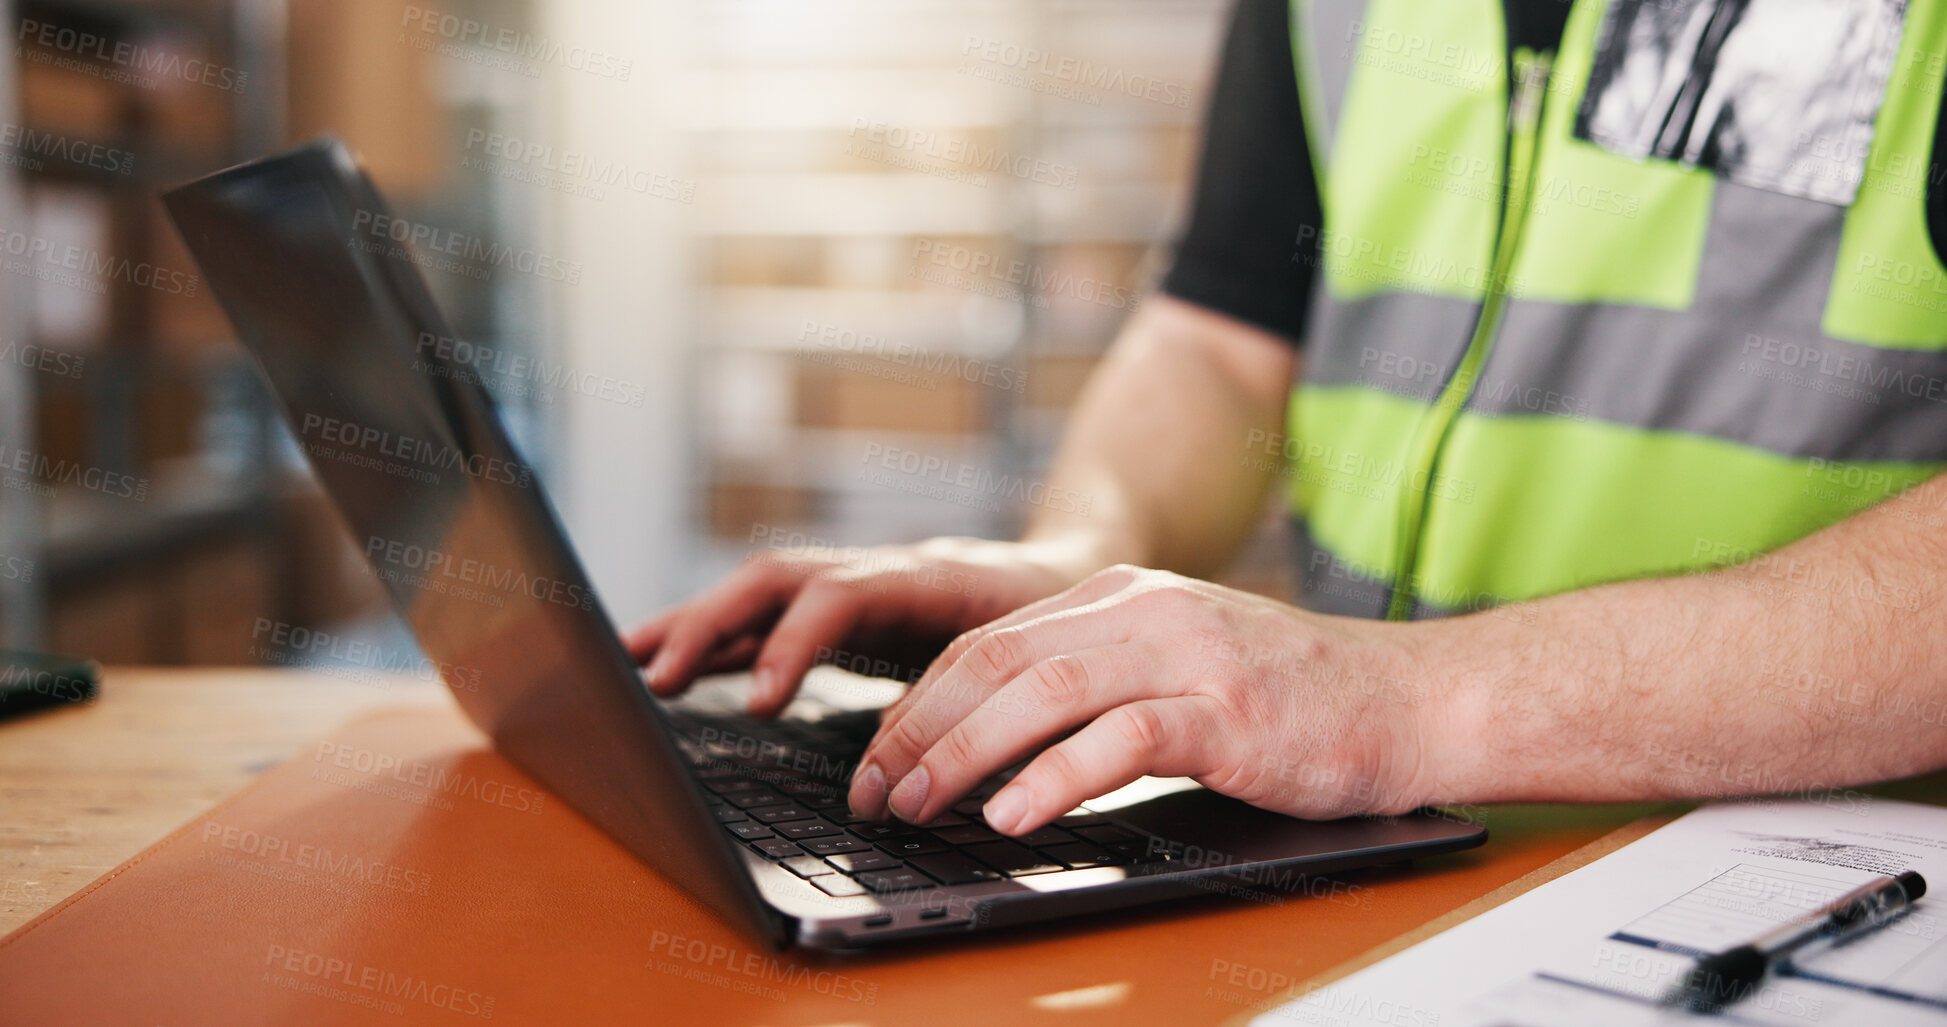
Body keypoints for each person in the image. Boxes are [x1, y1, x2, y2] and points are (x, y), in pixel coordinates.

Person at [628, 0, 1947, 839]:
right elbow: (1220, 334)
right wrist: (1075, 558)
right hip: (1385, 857)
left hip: (1802, 888)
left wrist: (1406, 698)